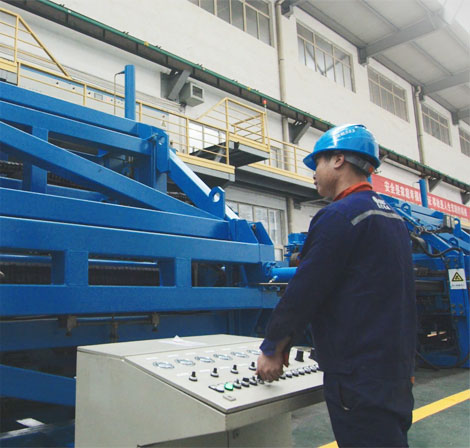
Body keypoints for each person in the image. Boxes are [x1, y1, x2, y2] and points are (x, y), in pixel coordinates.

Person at [256, 124, 416, 447]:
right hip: (395, 373)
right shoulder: (394, 219)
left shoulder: (339, 216)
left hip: (359, 378)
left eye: (317, 162)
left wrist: (273, 347)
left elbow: (305, 290)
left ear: (339, 159)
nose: (314, 173)